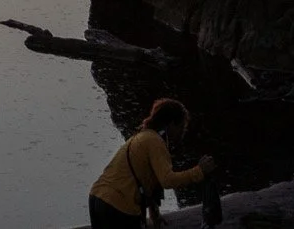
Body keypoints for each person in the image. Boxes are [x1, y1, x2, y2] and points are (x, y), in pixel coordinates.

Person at [87, 98, 215, 228]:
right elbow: (167, 180)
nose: (183, 132)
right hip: (118, 205)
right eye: (182, 126)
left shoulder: (141, 137)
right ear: (171, 124)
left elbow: (147, 183)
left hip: (97, 198)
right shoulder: (156, 142)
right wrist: (199, 171)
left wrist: (154, 215)